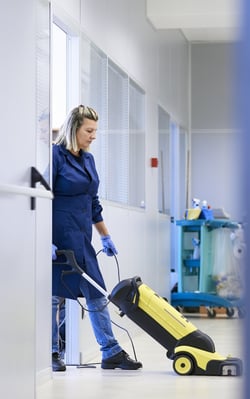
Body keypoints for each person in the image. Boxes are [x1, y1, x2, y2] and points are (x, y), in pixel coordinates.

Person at [51, 105, 142, 372]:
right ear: (73, 128)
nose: (93, 136)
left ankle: (110, 351)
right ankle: (52, 352)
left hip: (82, 237)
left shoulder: (87, 160)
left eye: (95, 131)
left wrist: (106, 236)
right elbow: (44, 198)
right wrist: (44, 238)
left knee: (97, 294)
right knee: (54, 296)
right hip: (58, 237)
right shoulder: (55, 156)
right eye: (89, 130)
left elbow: (93, 202)